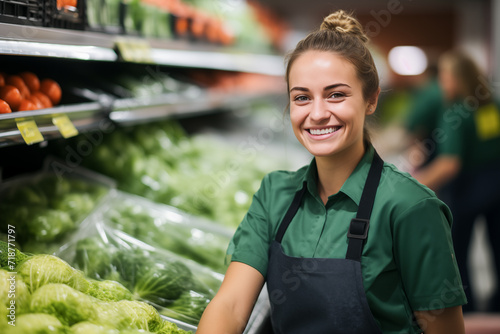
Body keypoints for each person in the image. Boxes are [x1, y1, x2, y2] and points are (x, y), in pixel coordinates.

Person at [197, 10, 467, 334]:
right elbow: (230, 306)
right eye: (302, 98)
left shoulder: (411, 207)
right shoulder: (274, 194)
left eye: (336, 94)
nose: (318, 113)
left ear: (371, 99)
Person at [414, 50, 500, 313]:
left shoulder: (456, 113)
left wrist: (412, 184)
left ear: (455, 79)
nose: (441, 84)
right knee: (497, 248)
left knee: (457, 255)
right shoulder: (491, 105)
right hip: (496, 186)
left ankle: (467, 310)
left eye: (444, 77)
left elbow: (449, 164)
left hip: (467, 192)